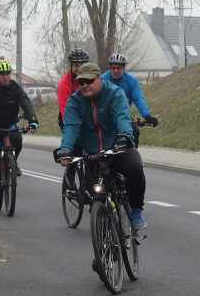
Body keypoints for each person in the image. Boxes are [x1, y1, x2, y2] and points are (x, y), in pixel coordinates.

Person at [57, 62, 147, 233]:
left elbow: (122, 116)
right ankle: (105, 249)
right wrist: (65, 150)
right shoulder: (75, 101)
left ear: (99, 79)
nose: (84, 85)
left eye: (89, 81)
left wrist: (124, 138)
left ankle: (136, 211)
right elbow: (70, 127)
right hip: (92, 155)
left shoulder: (114, 93)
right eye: (81, 82)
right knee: (96, 201)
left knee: (135, 167)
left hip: (117, 149)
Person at [0, 60, 39, 203]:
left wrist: (33, 120)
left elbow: (25, 102)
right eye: (3, 74)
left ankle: (13, 161)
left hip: (10, 124)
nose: (6, 77)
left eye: (8, 73)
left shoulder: (15, 87)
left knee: (18, 140)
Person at [101, 53, 159, 146]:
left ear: (123, 68)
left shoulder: (131, 80)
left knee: (135, 131)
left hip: (123, 114)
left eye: (119, 68)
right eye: (113, 68)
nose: (116, 71)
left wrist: (147, 116)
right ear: (110, 67)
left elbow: (138, 98)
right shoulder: (102, 79)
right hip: (105, 114)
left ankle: (132, 154)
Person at [58, 48, 89, 131]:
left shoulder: (91, 79)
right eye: (76, 65)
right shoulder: (64, 83)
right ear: (71, 65)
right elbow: (65, 110)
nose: (79, 69)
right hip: (69, 116)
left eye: (81, 65)